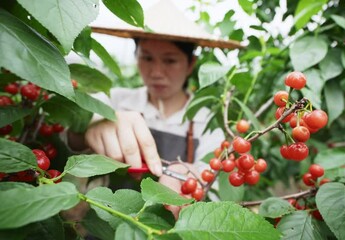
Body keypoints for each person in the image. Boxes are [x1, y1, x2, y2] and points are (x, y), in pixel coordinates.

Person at [67, 0, 242, 196]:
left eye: (170, 60)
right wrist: (94, 122)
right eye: (147, 58)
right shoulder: (116, 100)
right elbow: (70, 118)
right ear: (136, 56)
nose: (157, 72)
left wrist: (193, 173)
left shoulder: (206, 121)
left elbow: (215, 184)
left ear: (191, 64)